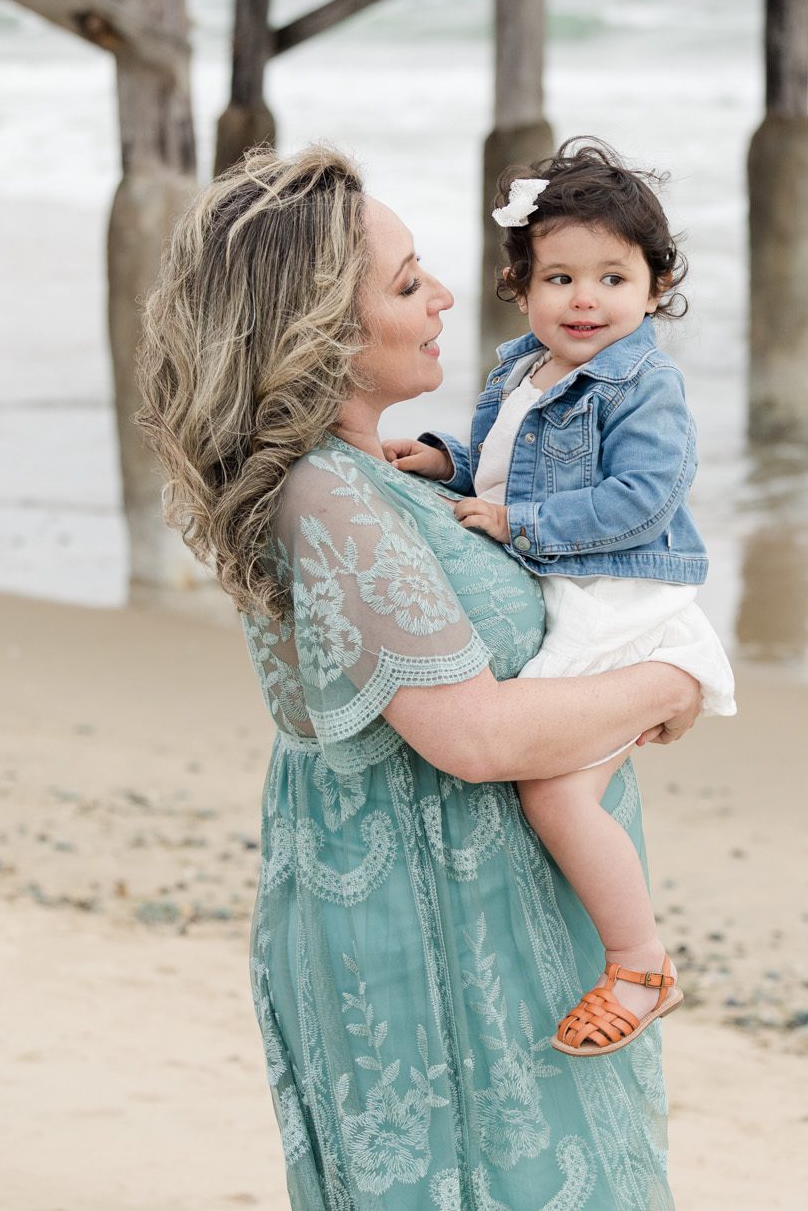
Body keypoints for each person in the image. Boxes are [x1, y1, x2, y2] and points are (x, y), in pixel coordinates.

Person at [134, 145, 701, 1210]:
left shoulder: (376, 475)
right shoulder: (326, 498)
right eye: (405, 285)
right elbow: (474, 736)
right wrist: (668, 685)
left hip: (492, 908)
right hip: (430, 930)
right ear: (317, 331)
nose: (447, 296)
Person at [383, 139, 736, 1059]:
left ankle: (640, 961)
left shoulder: (643, 384)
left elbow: (641, 499)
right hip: (574, 587)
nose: (585, 299)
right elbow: (501, 465)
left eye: (613, 278)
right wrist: (441, 461)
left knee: (553, 790)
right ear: (522, 283)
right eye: (561, 277)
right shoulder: (520, 368)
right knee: (553, 782)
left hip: (616, 600)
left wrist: (518, 524)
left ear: (655, 288)